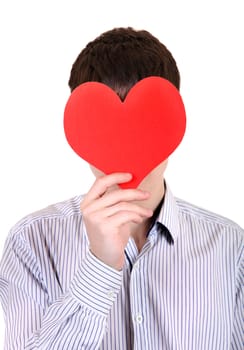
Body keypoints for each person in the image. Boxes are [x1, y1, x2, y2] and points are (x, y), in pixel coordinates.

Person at [0, 27, 243, 350]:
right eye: (103, 127)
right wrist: (99, 264)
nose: (127, 147)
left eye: (149, 121)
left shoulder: (230, 247)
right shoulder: (32, 242)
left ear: (175, 122)